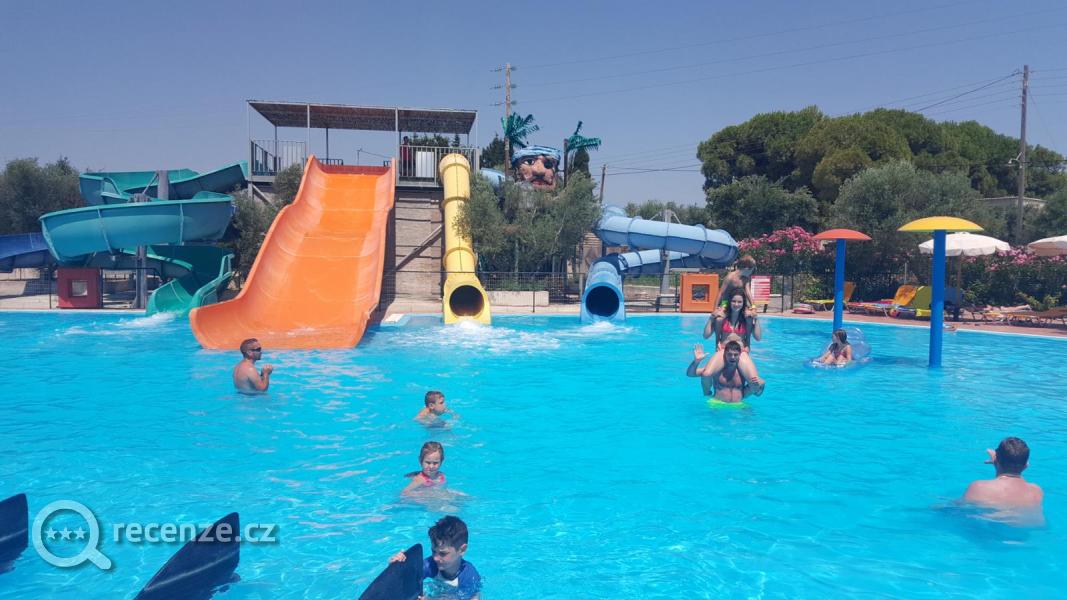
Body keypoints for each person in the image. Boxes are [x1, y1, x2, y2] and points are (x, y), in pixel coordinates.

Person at [389, 515, 481, 600]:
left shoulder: (470, 578)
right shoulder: (431, 564)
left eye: (443, 553)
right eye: (433, 551)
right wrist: (398, 566)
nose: (435, 558)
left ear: (462, 550)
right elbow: (408, 578)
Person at [700, 291, 764, 392]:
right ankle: (707, 393)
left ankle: (742, 395)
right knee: (706, 374)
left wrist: (756, 319)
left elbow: (758, 338)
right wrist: (711, 317)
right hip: (724, 350)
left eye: (739, 302)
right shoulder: (722, 317)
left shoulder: (747, 319)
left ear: (743, 303)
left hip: (741, 351)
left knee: (756, 383)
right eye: (734, 301)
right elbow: (705, 336)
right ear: (729, 302)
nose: (736, 304)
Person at [963, 437, 1044, 510]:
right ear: (1026, 465)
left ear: (996, 461)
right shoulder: (1036, 491)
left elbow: (959, 510)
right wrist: (997, 461)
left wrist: (997, 463)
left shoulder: (979, 487)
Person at [687, 339, 760, 403]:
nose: (732, 357)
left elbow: (758, 390)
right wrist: (696, 361)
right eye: (729, 354)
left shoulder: (743, 372)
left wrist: (758, 385)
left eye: (735, 355)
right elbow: (690, 374)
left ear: (740, 355)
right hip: (717, 404)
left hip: (738, 405)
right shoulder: (717, 370)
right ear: (725, 354)